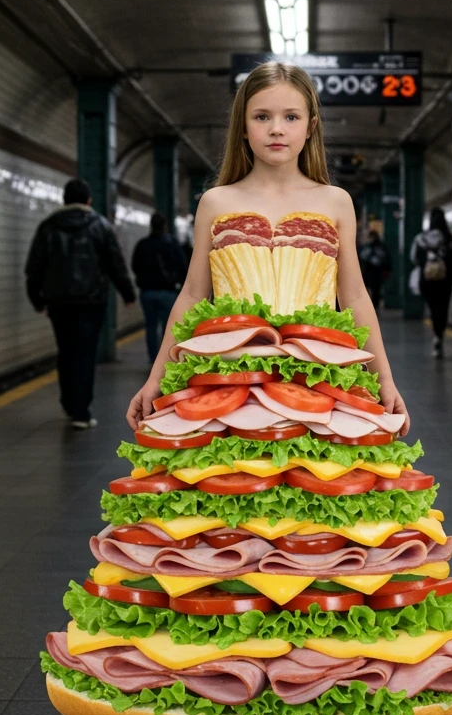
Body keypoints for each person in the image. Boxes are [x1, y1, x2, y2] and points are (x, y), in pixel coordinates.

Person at [126, 60, 409, 434]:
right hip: (230, 382)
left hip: (318, 381)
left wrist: (385, 379)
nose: (277, 128)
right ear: (243, 128)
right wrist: (155, 378)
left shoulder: (337, 201)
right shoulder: (215, 202)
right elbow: (192, 295)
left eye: (291, 117)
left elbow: (354, 296)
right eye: (262, 117)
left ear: (311, 127)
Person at [25, 179, 136, 429]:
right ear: (88, 200)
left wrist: (36, 299)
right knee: (85, 353)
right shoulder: (100, 225)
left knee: (65, 351)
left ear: (64, 199)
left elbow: (34, 266)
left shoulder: (48, 226)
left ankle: (68, 402)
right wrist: (127, 293)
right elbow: (115, 263)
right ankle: (81, 412)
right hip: (91, 301)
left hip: (58, 301)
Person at [132, 212, 188, 360]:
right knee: (168, 327)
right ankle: (165, 357)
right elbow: (183, 267)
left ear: (151, 225)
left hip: (147, 292)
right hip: (167, 292)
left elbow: (135, 266)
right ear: (164, 226)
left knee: (150, 326)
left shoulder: (142, 245)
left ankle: (153, 358)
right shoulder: (172, 244)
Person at [410, 207, 452, 358]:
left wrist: (426, 264)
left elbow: (414, 258)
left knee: (433, 307)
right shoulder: (449, 239)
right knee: (443, 307)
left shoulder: (421, 238)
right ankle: (440, 334)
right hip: (445, 280)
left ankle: (436, 333)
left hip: (427, 280)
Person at [358, 227, 391, 309]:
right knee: (370, 290)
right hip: (369, 272)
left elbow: (386, 260)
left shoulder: (375, 247)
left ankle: (374, 306)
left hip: (374, 273)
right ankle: (371, 306)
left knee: (375, 290)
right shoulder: (368, 247)